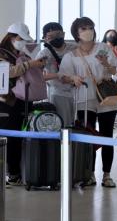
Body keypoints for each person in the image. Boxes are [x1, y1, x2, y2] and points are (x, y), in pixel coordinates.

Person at [60, 17, 117, 188]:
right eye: (83, 29)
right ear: (76, 33)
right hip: (84, 99)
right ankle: (89, 173)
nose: (88, 31)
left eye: (90, 27)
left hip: (106, 97)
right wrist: (72, 78)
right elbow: (63, 76)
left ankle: (107, 174)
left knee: (107, 136)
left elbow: (114, 70)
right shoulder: (71, 54)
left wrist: (106, 63)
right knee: (88, 135)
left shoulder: (103, 48)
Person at [0, 23, 45, 185]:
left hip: (21, 99)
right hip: (5, 102)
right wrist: (29, 65)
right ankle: (10, 172)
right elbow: (8, 72)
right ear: (11, 36)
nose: (22, 42)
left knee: (18, 137)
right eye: (20, 38)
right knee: (9, 137)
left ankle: (16, 171)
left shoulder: (19, 53)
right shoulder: (2, 53)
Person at [36, 22, 76, 127]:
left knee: (78, 125)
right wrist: (57, 75)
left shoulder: (74, 49)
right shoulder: (44, 53)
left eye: (58, 35)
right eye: (51, 36)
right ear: (45, 39)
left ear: (63, 34)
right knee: (61, 126)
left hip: (78, 92)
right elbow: (37, 76)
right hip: (57, 94)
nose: (56, 38)